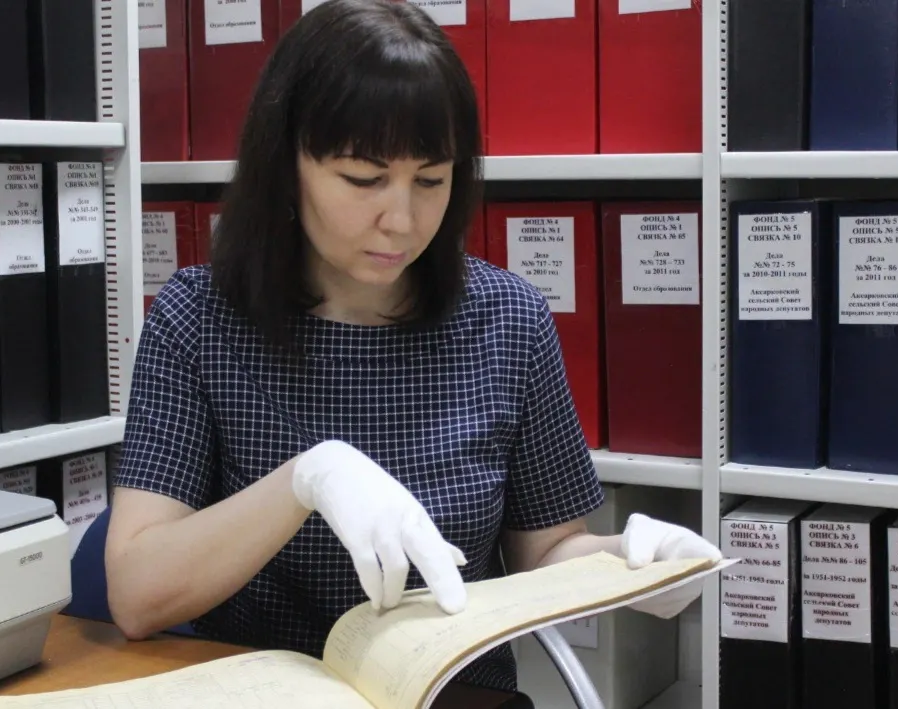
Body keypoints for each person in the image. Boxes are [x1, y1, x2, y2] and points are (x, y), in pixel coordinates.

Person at [105, 0, 722, 701]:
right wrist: (306, 481)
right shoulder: (199, 318)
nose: (401, 219)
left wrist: (633, 565)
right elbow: (137, 592)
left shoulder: (509, 319)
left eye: (431, 180)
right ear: (287, 165)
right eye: (363, 179)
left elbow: (547, 550)